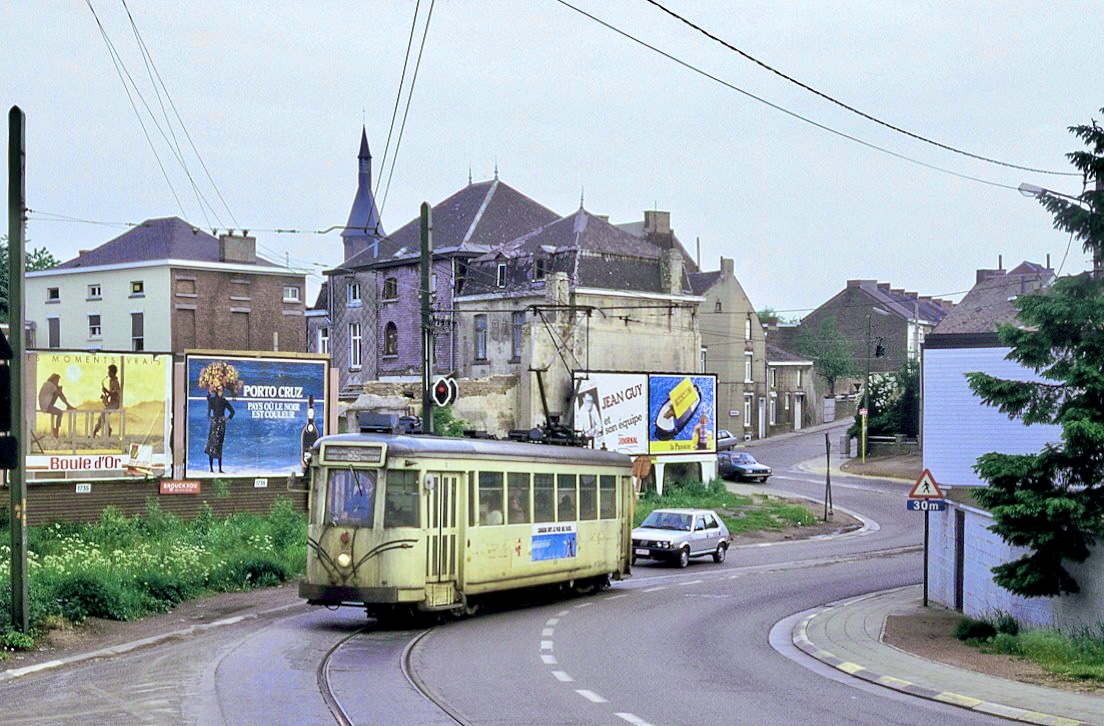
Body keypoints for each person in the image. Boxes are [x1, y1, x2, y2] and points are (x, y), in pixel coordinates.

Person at [204, 385, 235, 473]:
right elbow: (208, 399)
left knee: (219, 445)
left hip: (220, 423)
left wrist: (227, 418)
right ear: (217, 391)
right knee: (211, 444)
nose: (221, 392)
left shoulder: (223, 401)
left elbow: (232, 411)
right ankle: (211, 468)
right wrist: (210, 392)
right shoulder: (215, 400)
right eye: (220, 391)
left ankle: (219, 468)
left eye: (222, 391)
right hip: (216, 423)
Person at [37, 373, 73, 438]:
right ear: (54, 379)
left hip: (45, 405)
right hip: (47, 406)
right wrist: (60, 389)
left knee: (59, 393)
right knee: (60, 413)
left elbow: (55, 393)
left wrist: (58, 389)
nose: (58, 382)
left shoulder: (47, 384)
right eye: (57, 380)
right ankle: (56, 430)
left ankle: (68, 405)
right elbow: (58, 393)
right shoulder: (50, 384)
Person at [92, 364, 121, 438]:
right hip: (112, 402)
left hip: (115, 403)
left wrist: (107, 391)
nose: (108, 373)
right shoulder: (111, 381)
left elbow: (115, 395)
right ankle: (95, 432)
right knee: (102, 416)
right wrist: (106, 396)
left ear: (113, 372)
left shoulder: (115, 381)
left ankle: (105, 430)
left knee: (103, 414)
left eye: (109, 372)